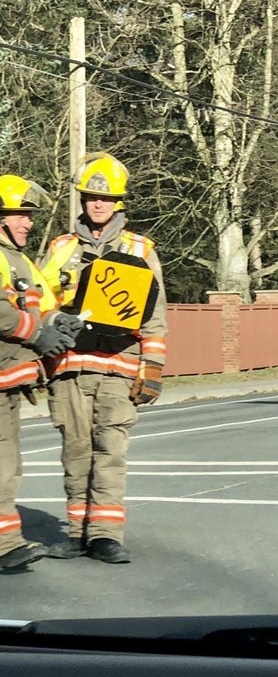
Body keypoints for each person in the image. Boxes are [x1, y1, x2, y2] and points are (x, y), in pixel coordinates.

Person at [42, 152, 167, 565]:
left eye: (106, 198)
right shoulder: (60, 249)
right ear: (82, 200)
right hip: (70, 370)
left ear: (119, 203)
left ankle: (105, 535)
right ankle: (77, 532)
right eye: (91, 198)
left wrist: (153, 368)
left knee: (109, 452)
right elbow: (38, 303)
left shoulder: (140, 249)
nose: (98, 204)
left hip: (119, 369)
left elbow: (155, 315)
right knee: (76, 453)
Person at [0, 175, 81, 571]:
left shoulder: (19, 259)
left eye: (29, 216)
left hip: (10, 379)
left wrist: (60, 323)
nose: (28, 223)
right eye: (20, 215)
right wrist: (39, 334)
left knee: (8, 462)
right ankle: (5, 546)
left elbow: (42, 302)